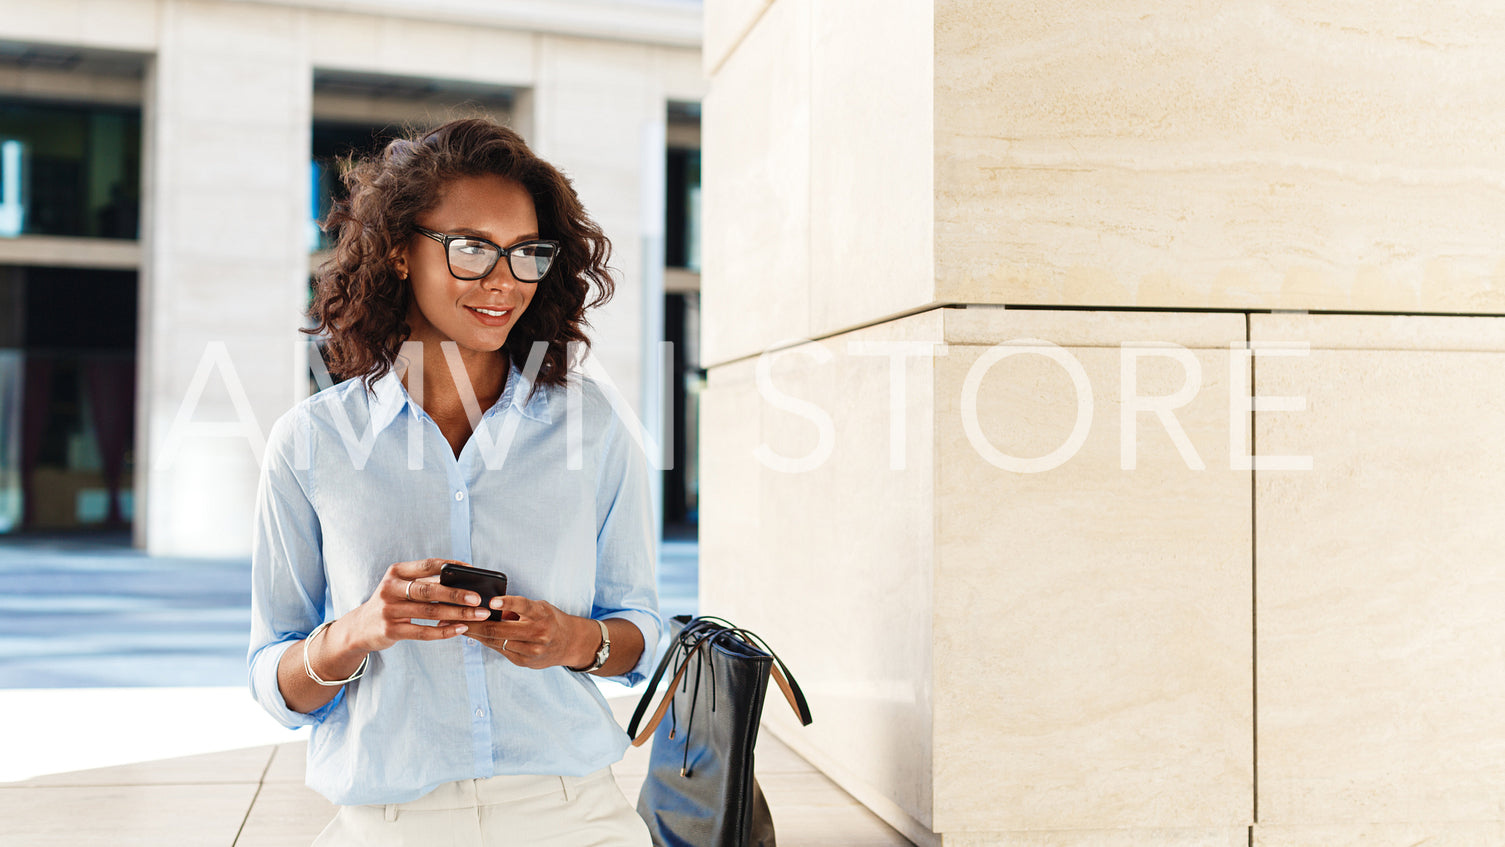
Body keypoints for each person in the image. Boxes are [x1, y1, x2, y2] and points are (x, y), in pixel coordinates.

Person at [247, 117, 660, 846]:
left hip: (573, 812)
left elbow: (644, 638)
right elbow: (276, 687)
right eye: (471, 249)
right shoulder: (311, 442)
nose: (504, 280)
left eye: (526, 253)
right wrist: (355, 632)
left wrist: (572, 638)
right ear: (401, 251)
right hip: (391, 820)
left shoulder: (590, 426)